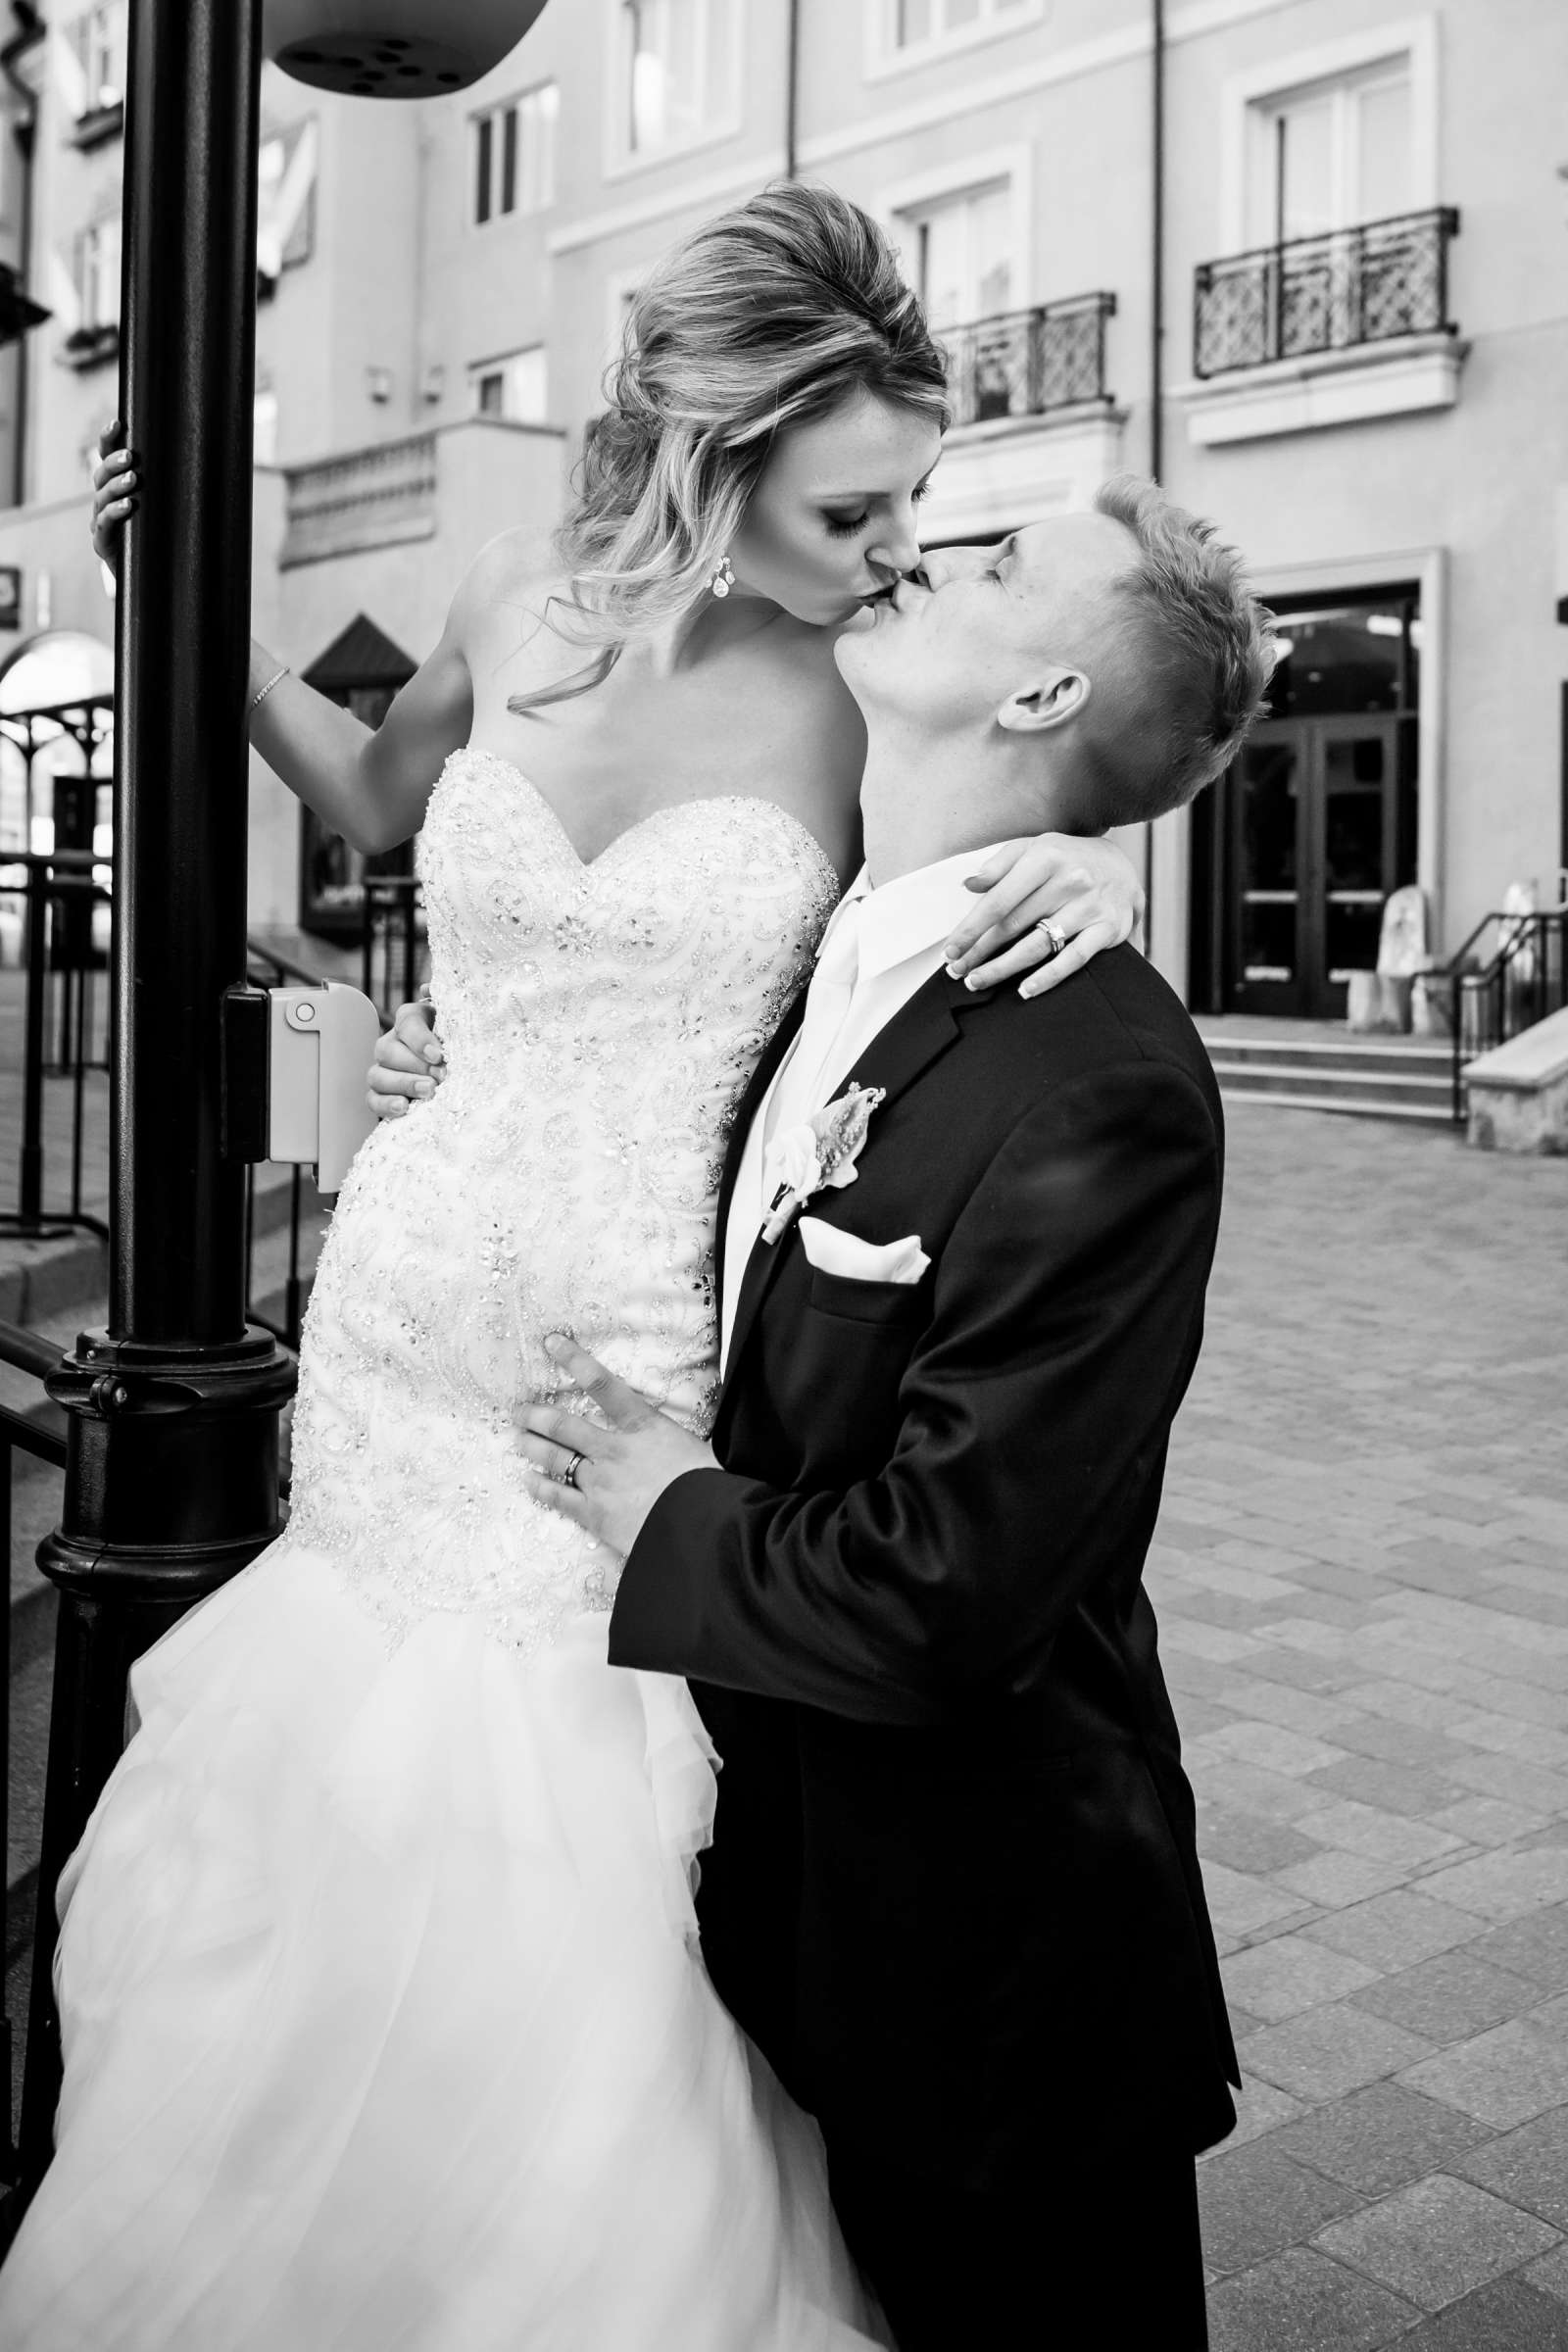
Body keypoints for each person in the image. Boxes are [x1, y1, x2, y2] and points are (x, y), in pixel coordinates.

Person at [0, 186, 1141, 2348]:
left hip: (617, 1371)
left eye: (914, 504)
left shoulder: (866, 702)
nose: (898, 549)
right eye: (853, 507)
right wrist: (195, 613)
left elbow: (1017, 812)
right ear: (714, 454)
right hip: (399, 1317)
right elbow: (362, 791)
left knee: (573, 1873)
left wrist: (1090, 865)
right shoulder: (512, 593)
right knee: (330, 1823)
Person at [511, 479, 1274, 2352]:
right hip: (786, 1940)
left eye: (1000, 565)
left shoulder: (1102, 1086)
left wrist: (661, 1503)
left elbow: (953, 1587)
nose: (927, 551)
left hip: (989, 1993)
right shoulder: (813, 968)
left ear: (1038, 701)